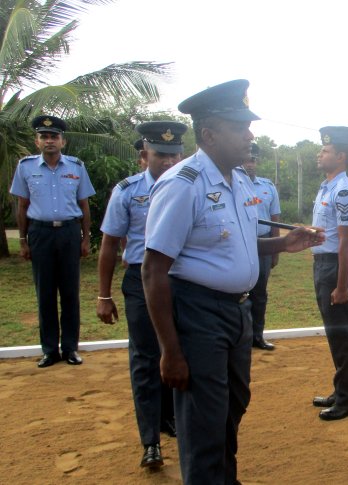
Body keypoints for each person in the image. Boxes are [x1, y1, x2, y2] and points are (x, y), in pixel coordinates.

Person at [141, 79, 323, 485]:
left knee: (232, 406)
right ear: (209, 134)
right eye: (240, 126)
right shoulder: (182, 184)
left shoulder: (238, 181)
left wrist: (283, 243)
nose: (250, 134)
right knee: (204, 421)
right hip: (198, 314)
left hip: (236, 313)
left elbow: (235, 242)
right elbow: (153, 269)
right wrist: (170, 352)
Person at [96, 121, 186, 468]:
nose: (168, 161)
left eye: (174, 154)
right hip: (139, 281)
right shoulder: (127, 191)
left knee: (176, 349)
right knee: (147, 358)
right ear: (143, 156)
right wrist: (104, 296)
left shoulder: (187, 188)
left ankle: (169, 418)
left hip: (178, 279)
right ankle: (150, 440)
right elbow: (108, 245)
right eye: (160, 155)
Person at [10, 115, 95, 368]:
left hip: (69, 233)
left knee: (70, 293)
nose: (49, 141)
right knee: (44, 293)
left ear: (63, 141)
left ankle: (70, 348)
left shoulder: (76, 167)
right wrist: (23, 240)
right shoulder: (25, 167)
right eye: (44, 137)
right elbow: (22, 205)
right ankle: (49, 350)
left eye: (54, 137)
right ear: (37, 142)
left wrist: (85, 238)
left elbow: (84, 205)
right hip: (40, 233)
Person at [310, 126, 348, 421]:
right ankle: (340, 390)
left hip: (334, 268)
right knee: (334, 333)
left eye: (326, 150)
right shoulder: (326, 186)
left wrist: (342, 285)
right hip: (323, 265)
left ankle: (347, 399)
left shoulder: (343, 191)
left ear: (341, 156)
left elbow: (345, 241)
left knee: (342, 334)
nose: (321, 153)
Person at [241, 142, 281, 351]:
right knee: (239, 292)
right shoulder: (233, 184)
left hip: (264, 245)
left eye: (253, 160)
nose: (250, 164)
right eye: (247, 159)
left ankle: (258, 336)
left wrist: (275, 251)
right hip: (240, 245)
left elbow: (275, 218)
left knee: (260, 293)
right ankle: (242, 338)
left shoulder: (267, 186)